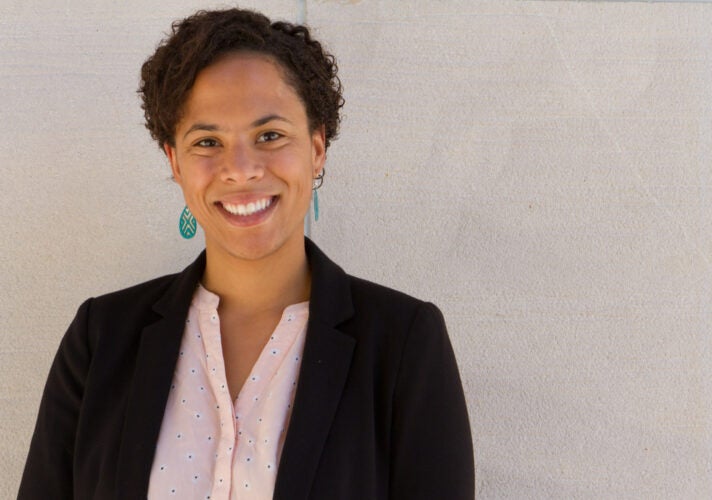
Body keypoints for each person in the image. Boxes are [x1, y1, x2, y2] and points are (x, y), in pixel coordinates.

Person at [18, 8, 473, 500]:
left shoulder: (403, 345)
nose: (240, 169)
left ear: (317, 147)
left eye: (270, 136)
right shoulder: (100, 338)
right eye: (207, 141)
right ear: (174, 161)